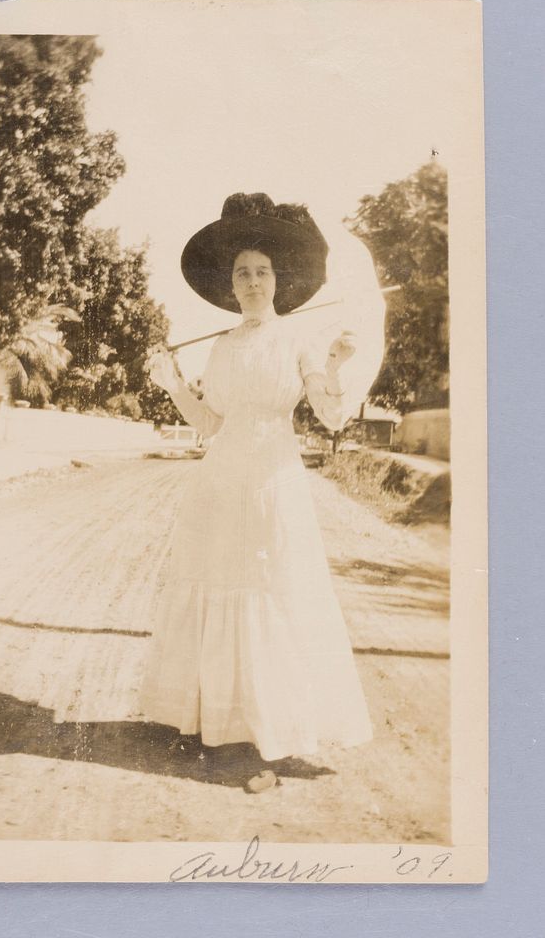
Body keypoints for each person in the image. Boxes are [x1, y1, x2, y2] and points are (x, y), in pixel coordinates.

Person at [141, 192, 379, 793]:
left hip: (273, 479)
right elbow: (210, 423)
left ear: (279, 280)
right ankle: (213, 721)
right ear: (231, 283)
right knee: (216, 582)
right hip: (220, 482)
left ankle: (272, 726)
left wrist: (335, 359)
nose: (251, 282)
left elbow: (327, 415)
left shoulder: (299, 340)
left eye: (262, 272)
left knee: (271, 589)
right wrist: (171, 382)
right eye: (242, 272)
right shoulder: (221, 346)